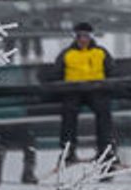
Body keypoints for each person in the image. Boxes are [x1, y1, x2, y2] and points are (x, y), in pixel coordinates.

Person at [48, 21, 116, 168]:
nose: (83, 39)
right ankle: (68, 150)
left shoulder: (100, 53)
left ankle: (105, 149)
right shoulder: (67, 54)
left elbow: (111, 71)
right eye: (80, 36)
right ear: (75, 37)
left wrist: (107, 87)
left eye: (86, 36)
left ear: (91, 37)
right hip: (73, 90)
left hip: (95, 89)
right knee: (68, 111)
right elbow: (56, 73)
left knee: (103, 110)